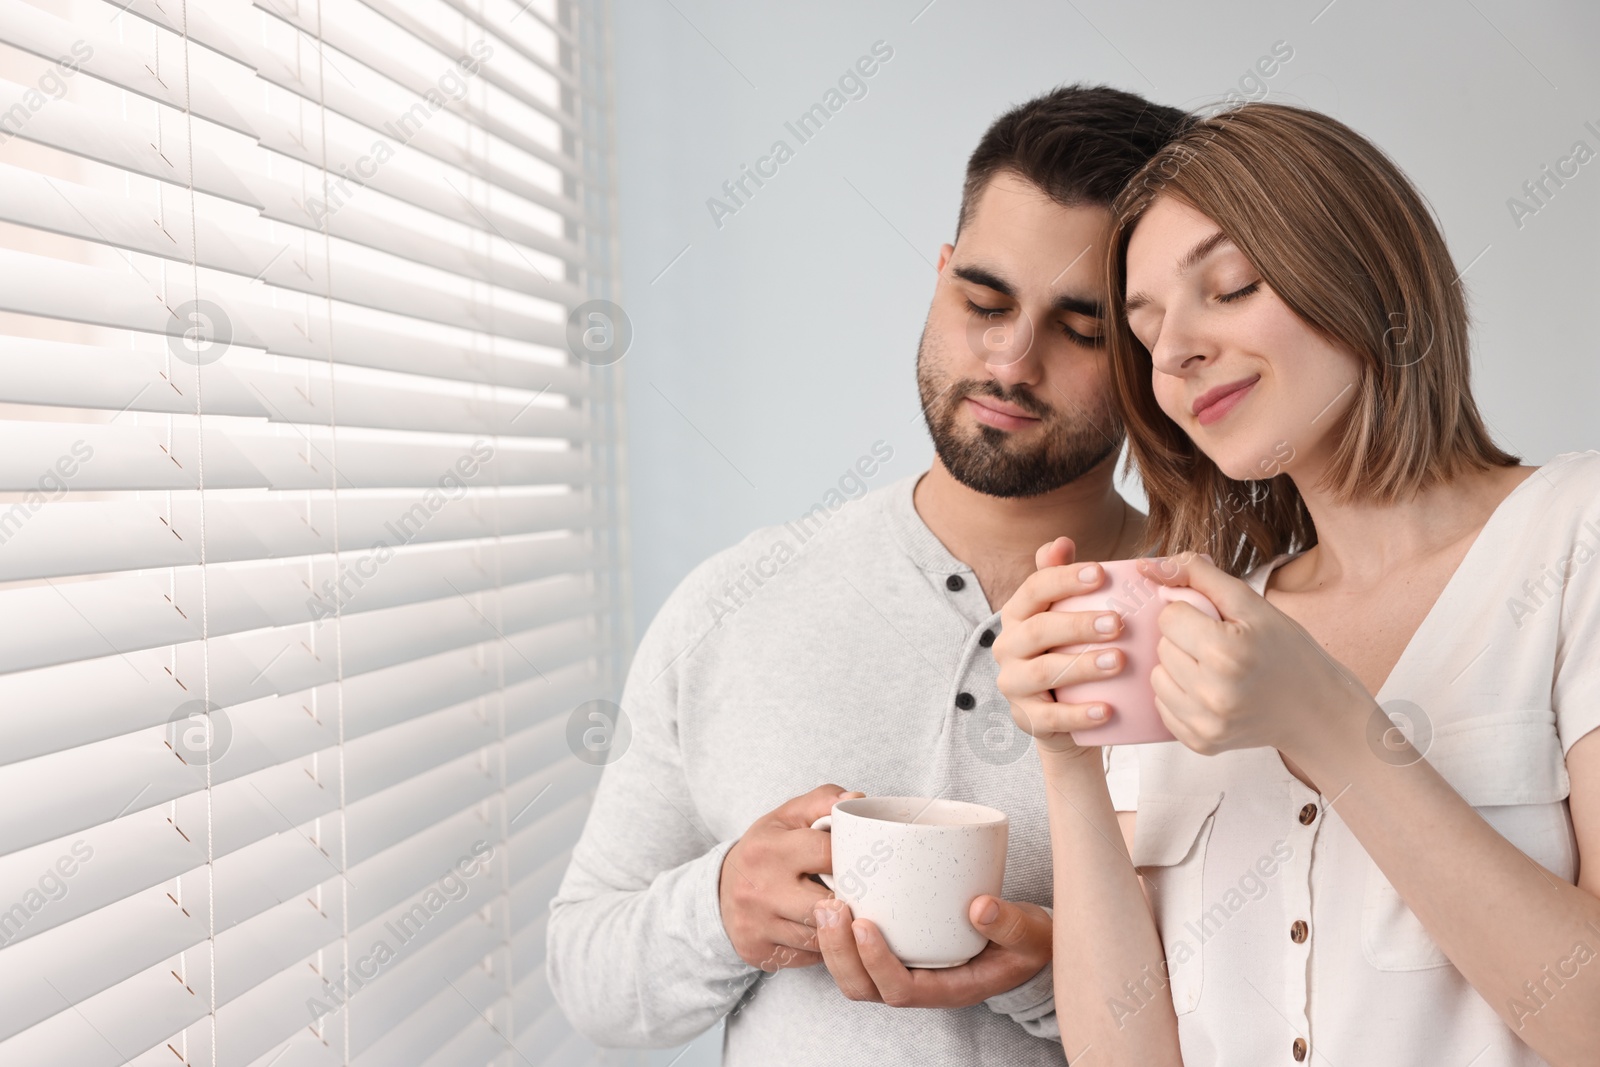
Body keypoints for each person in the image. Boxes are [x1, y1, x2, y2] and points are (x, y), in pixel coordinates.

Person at [545, 85, 1191, 1064]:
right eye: (982, 300)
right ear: (938, 278)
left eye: (1082, 327)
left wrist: (1052, 978)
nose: (1011, 360)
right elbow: (587, 976)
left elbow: (1277, 1014)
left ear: (1152, 342)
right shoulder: (733, 601)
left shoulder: (1216, 627)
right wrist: (720, 906)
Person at [991, 102, 1600, 1066]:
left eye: (1228, 286)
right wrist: (1066, 758)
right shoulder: (1200, 627)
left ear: (1364, 274)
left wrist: (1329, 728)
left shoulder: (1576, 541)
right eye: (1144, 332)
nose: (1174, 353)